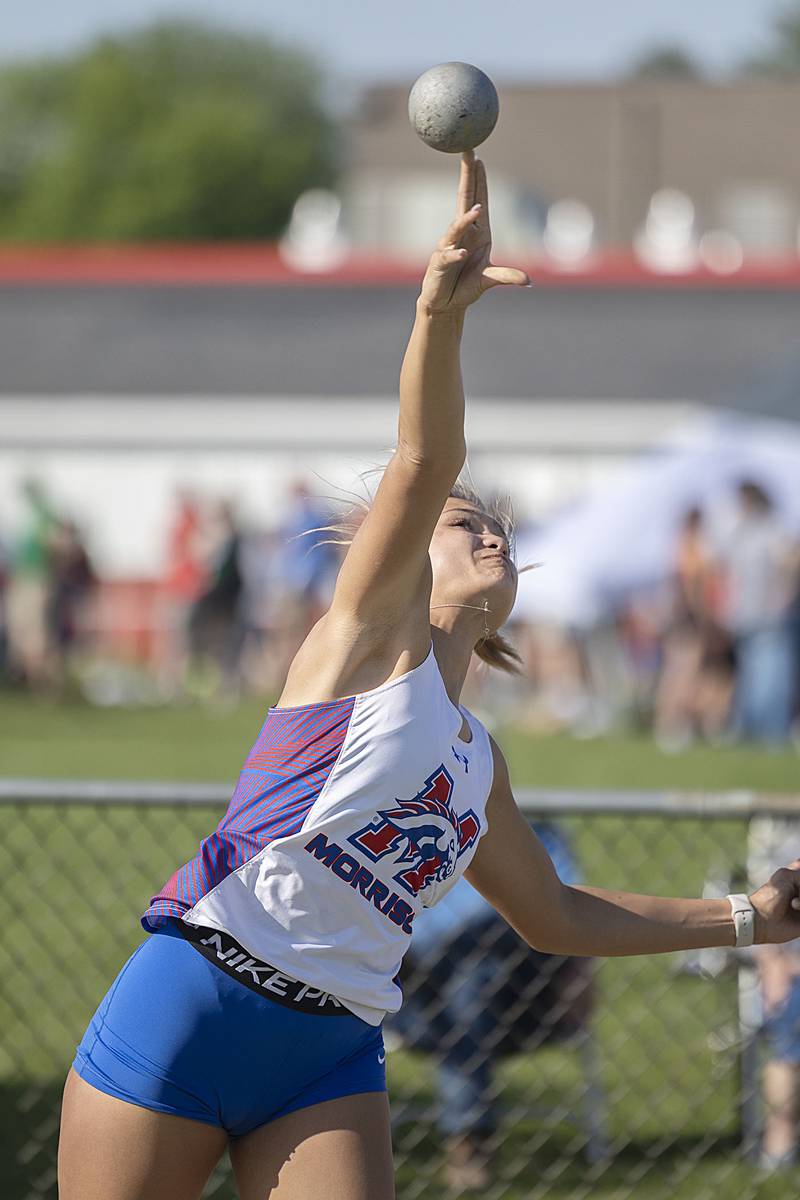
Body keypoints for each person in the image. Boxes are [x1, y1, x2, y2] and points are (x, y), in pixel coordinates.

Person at [58, 153, 800, 1200]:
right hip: (197, 999)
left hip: (328, 1050)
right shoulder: (354, 646)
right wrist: (437, 314)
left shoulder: (472, 762)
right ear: (406, 555)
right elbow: (420, 462)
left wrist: (745, 920)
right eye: (463, 523)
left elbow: (553, 918)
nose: (485, 528)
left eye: (495, 524)